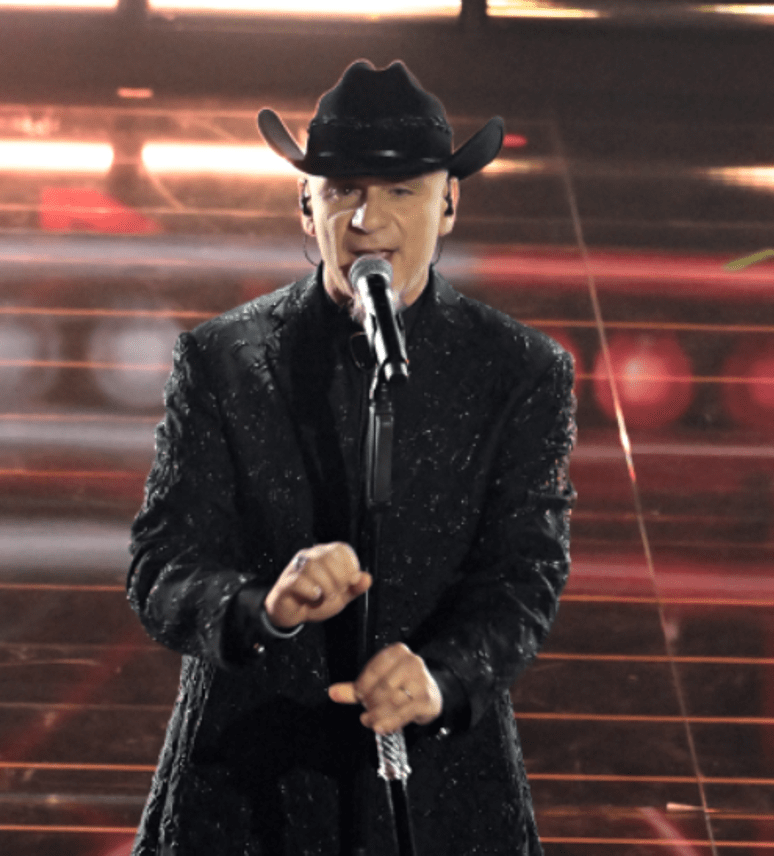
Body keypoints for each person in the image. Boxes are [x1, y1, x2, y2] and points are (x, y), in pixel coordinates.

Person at [127, 59, 575, 856]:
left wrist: (441, 676)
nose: (369, 219)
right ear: (307, 207)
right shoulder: (223, 360)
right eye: (342, 191)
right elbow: (162, 568)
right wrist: (264, 606)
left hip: (442, 797)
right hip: (247, 793)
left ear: (449, 203)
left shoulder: (518, 371)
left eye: (401, 191)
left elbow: (525, 573)